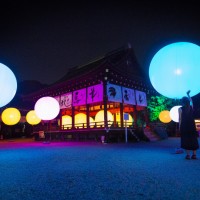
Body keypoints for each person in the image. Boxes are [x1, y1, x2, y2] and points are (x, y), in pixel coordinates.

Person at [178, 90, 199, 160]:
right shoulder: (191, 107)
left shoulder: (180, 109)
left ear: (182, 102)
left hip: (184, 125)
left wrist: (179, 127)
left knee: (185, 139)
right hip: (192, 125)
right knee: (193, 139)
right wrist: (188, 95)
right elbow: (191, 101)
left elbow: (180, 119)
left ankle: (188, 155)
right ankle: (194, 155)